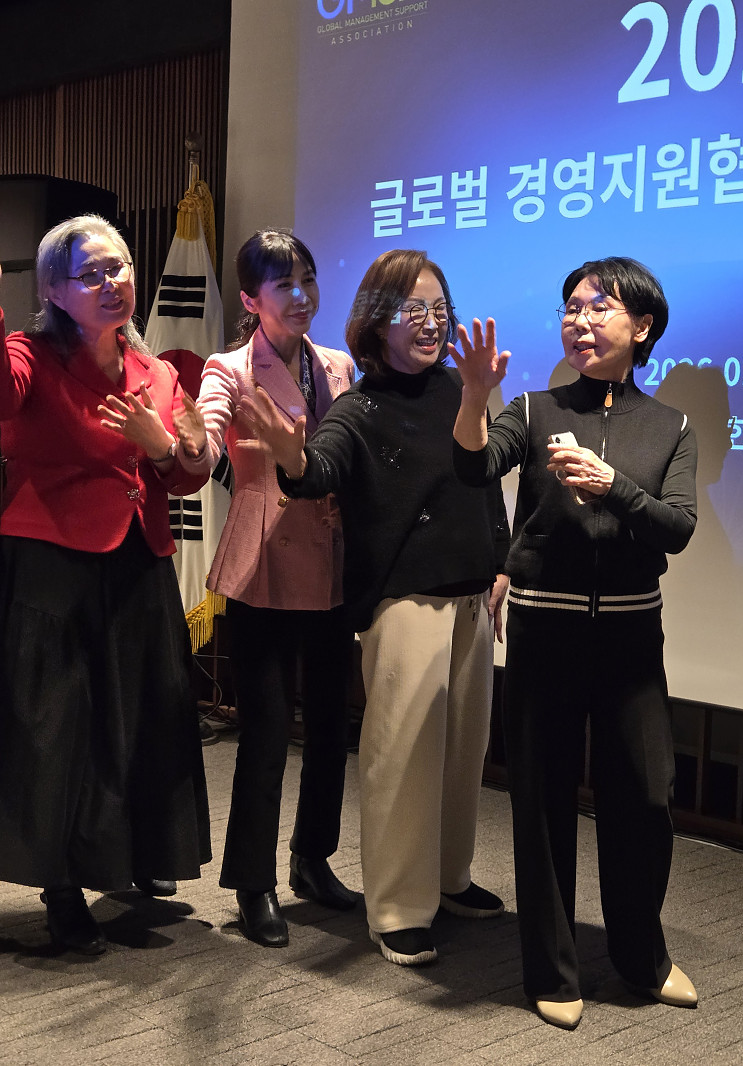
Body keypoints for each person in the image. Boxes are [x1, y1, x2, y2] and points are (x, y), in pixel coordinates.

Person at [239, 249, 510, 966]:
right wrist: (293, 459)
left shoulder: (460, 388)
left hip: (472, 599)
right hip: (405, 602)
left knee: (463, 755)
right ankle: (396, 908)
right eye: (412, 309)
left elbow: (484, 484)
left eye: (438, 309)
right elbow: (320, 468)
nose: (430, 322)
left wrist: (502, 561)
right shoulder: (359, 408)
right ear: (376, 321)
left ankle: (449, 878)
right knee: (405, 759)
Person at [451, 257, 698, 1030]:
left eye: (599, 307)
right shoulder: (532, 408)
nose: (579, 320)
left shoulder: (671, 426)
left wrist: (611, 487)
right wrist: (474, 396)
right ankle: (551, 970)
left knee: (646, 797)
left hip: (630, 638)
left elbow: (678, 528)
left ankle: (642, 957)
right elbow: (473, 467)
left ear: (643, 326)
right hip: (544, 630)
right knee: (543, 801)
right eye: (571, 308)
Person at [0, 215, 212, 955]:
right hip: (51, 562)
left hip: (137, 561)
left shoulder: (156, 370)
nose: (111, 282)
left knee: (142, 716)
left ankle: (134, 855)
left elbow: (187, 473)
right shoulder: (28, 356)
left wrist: (166, 449)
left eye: (118, 267)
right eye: (90, 273)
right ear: (53, 290)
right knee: (57, 730)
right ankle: (60, 887)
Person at [178, 230, 358, 948]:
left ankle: (312, 859)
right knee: (265, 733)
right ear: (251, 299)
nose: (303, 295)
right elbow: (207, 435)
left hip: (333, 561)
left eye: (308, 278)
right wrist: (192, 441)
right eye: (285, 284)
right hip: (263, 567)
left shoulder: (338, 363)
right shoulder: (229, 367)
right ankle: (253, 884)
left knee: (330, 727)